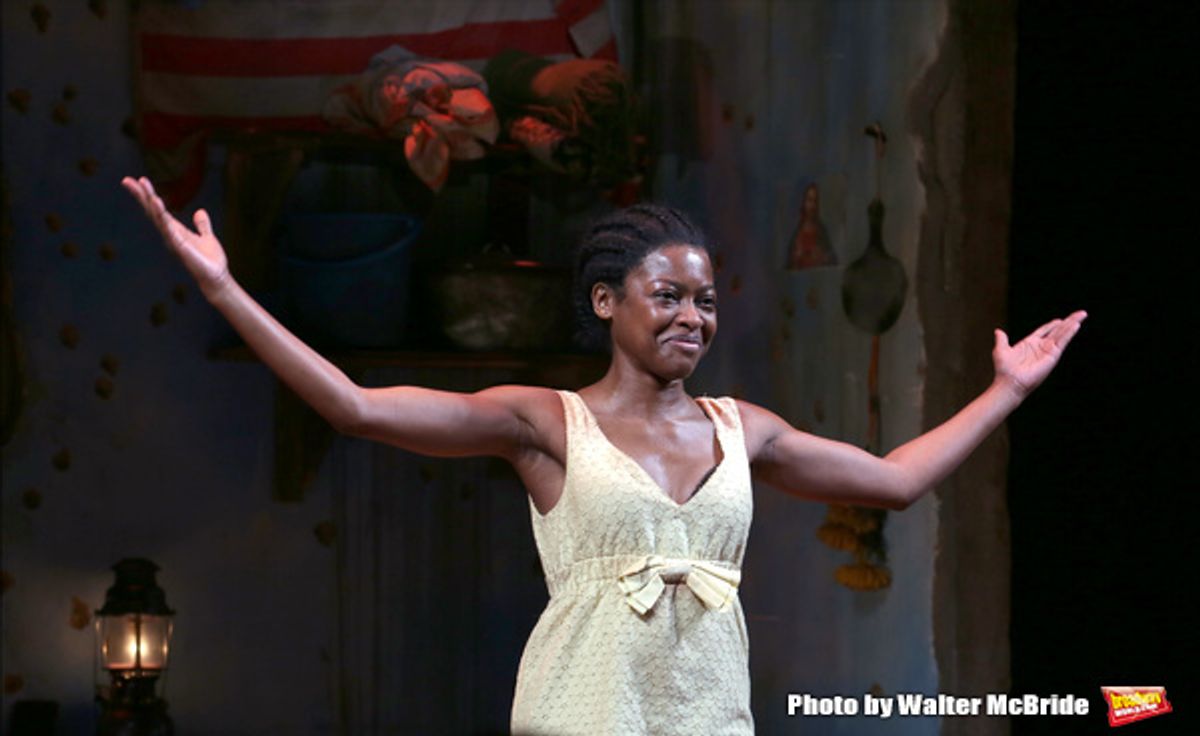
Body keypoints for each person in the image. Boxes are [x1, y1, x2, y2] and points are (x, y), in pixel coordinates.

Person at [122, 176, 1085, 735]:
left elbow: (898, 481)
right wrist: (224, 291)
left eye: (705, 301)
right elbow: (356, 407)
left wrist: (1006, 392)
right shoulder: (545, 422)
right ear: (605, 303)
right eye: (666, 295)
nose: (690, 316)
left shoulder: (739, 427)